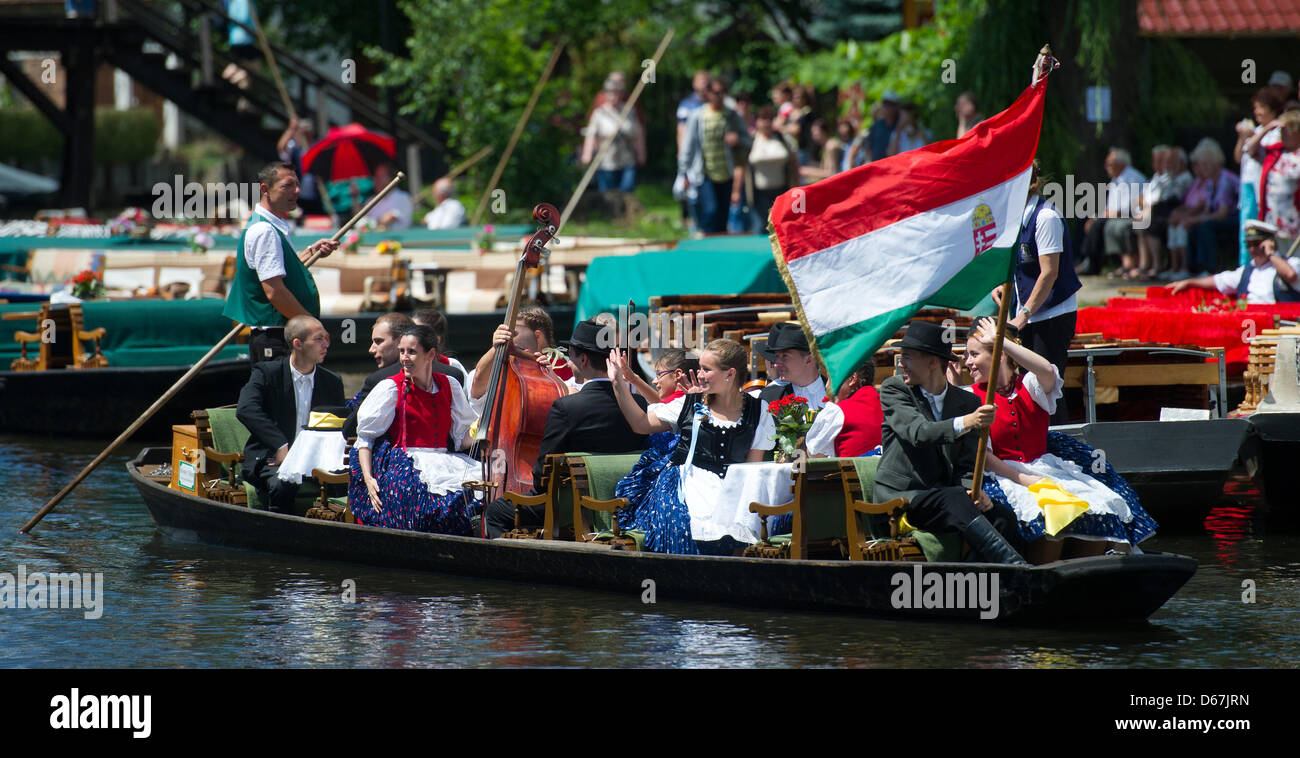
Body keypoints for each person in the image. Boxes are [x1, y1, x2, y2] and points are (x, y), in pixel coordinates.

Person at [963, 317, 1157, 562]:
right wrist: (1024, 479)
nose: (967, 362)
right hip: (1005, 474)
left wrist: (1002, 342)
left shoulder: (1031, 385)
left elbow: (1046, 369)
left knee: (1099, 505)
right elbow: (984, 457)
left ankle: (1089, 573)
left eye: (973, 354)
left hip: (1044, 466)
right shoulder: (969, 397)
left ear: (1000, 354)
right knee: (1047, 513)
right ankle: (1043, 573)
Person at [874, 320, 1026, 564]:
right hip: (902, 499)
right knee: (954, 499)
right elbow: (918, 432)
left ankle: (967, 585)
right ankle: (1018, 567)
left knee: (1003, 516)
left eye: (908, 357)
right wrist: (967, 422)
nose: (901, 363)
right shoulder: (895, 389)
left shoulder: (967, 403)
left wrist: (973, 492)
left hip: (945, 498)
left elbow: (967, 464)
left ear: (933, 362)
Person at [482, 320, 650, 538]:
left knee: (496, 511)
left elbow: (543, 474)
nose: (569, 362)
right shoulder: (640, 405)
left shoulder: (566, 407)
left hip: (570, 505)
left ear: (583, 359)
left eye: (570, 356)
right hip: (623, 503)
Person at [609, 338, 776, 555]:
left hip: (731, 487)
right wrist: (618, 384)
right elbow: (640, 424)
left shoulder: (759, 411)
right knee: (682, 524)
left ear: (730, 374)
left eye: (706, 369)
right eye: (700, 368)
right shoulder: (689, 403)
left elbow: (752, 469)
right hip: (683, 483)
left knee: (746, 527)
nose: (699, 374)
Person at [350, 325, 481, 534]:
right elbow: (365, 439)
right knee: (421, 501)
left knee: (481, 488)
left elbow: (461, 439)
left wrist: (484, 430)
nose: (404, 358)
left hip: (445, 461)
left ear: (430, 354)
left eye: (411, 352)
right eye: (402, 351)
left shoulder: (450, 385)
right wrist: (368, 478)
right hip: (407, 461)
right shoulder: (391, 388)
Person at [223, 161, 339, 363]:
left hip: (280, 336)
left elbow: (279, 268)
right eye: (287, 186)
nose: (297, 191)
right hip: (276, 338)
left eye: (297, 185)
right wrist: (311, 325)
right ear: (265, 189)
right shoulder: (265, 230)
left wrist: (312, 252)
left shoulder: (268, 225)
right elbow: (274, 291)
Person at [994, 159, 1080, 424]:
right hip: (1031, 317)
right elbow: (1021, 266)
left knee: (1048, 387)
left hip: (1052, 316)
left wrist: (1024, 314)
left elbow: (1049, 272)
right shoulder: (1019, 219)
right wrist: (1003, 286)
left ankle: (1061, 449)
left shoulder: (1046, 217)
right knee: (1029, 387)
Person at [236, 315, 345, 513]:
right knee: (282, 484)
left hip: (318, 459)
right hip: (272, 457)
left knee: (348, 482)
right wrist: (280, 444)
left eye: (326, 338)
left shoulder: (332, 381)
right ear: (298, 343)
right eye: (319, 339)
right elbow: (245, 409)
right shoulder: (266, 372)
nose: (326, 344)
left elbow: (338, 425)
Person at [613, 349, 698, 512]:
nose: (654, 381)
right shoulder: (685, 401)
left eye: (659, 374)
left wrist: (617, 381)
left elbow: (641, 422)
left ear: (677, 374)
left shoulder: (680, 404)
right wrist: (633, 379)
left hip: (669, 479)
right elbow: (663, 403)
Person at [467, 303, 572, 413]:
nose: (509, 336)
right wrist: (496, 348)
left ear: (538, 336)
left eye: (514, 331)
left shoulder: (566, 372)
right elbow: (477, 382)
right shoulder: (490, 372)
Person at [679, 76, 750, 234]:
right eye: (716, 92)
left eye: (722, 92)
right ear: (708, 93)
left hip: (727, 171)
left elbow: (748, 140)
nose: (719, 96)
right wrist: (683, 172)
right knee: (710, 210)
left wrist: (738, 139)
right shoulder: (697, 116)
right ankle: (703, 238)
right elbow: (688, 146)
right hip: (705, 173)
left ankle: (719, 249)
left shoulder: (732, 115)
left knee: (723, 215)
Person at [1168, 220, 1300, 303]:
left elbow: (1291, 275)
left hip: (1280, 328)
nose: (1252, 249)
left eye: (1257, 244)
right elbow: (1217, 280)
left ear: (1269, 243)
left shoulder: (1291, 263)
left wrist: (1271, 254)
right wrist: (1189, 282)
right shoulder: (1245, 272)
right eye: (1249, 245)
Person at [1235, 88, 1284, 267]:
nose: (1257, 112)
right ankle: (1245, 269)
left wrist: (1258, 134)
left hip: (1264, 187)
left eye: (1261, 107)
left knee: (1261, 230)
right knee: (1245, 231)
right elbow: (1240, 156)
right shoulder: (1255, 130)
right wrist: (1243, 137)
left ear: (1272, 109)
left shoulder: (1277, 131)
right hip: (1247, 185)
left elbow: (1254, 151)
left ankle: (1262, 267)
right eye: (1255, 108)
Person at [1078, 148, 1146, 276]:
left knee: (1104, 225)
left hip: (1133, 216)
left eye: (1110, 163)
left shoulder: (1132, 178)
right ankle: (1089, 260)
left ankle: (1093, 264)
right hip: (1117, 216)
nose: (1106, 166)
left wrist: (1104, 216)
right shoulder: (1116, 180)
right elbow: (1111, 206)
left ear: (1121, 164)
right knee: (1091, 222)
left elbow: (1129, 207)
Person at [1182, 138, 1240, 276]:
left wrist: (1196, 219)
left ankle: (1209, 268)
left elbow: (1222, 214)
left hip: (1234, 217)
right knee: (1195, 227)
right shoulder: (1209, 182)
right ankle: (1193, 268)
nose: (1202, 168)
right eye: (1201, 165)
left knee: (1205, 226)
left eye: (1206, 164)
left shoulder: (1226, 180)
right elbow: (1208, 210)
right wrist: (1193, 219)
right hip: (1220, 216)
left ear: (1216, 164)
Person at [582, 74, 646, 193]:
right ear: (605, 94)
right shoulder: (599, 113)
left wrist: (641, 152)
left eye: (616, 93)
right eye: (610, 93)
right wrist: (587, 154)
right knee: (607, 198)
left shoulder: (629, 111)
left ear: (621, 94)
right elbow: (591, 135)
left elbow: (638, 132)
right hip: (606, 162)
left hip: (627, 160)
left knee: (626, 195)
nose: (613, 96)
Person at [805, 359, 882, 457]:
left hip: (853, 472)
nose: (827, 385)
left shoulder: (838, 411)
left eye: (831, 378)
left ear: (852, 379)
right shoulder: (887, 404)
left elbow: (813, 452)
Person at [1137, 146, 1194, 280]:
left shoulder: (1185, 178)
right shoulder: (1168, 177)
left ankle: (1166, 266)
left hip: (1176, 213)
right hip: (1164, 212)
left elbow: (1176, 199)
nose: (1167, 164)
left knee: (1152, 224)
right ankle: (1153, 265)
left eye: (1171, 161)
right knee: (1143, 223)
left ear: (1181, 163)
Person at [1252, 110, 1300, 253]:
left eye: (1288, 130)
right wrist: (1267, 128)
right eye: (1282, 130)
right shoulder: (1275, 153)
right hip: (1273, 220)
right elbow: (1249, 149)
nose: (1283, 134)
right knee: (1278, 262)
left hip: (1294, 221)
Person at [747, 106, 800, 226]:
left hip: (781, 193)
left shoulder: (783, 139)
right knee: (761, 228)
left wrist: (796, 185)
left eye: (769, 119)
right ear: (757, 122)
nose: (766, 123)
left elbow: (794, 162)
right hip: (759, 195)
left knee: (782, 228)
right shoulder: (751, 140)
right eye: (763, 119)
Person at [758, 322, 827, 411]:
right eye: (777, 357)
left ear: (809, 360)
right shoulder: (769, 398)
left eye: (785, 356)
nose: (776, 364)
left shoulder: (840, 395)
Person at [276, 117, 320, 215]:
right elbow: (281, 147)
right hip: (298, 194)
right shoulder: (294, 148)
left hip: (316, 194)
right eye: (301, 133)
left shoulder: (316, 147)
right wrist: (291, 129)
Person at [412, 307, 469, 379]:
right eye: (409, 330)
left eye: (419, 333)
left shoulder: (452, 365)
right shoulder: (402, 362)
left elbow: (466, 389)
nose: (411, 337)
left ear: (436, 340)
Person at [365, 162, 413, 230]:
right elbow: (360, 221)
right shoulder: (371, 200)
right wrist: (355, 197)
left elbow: (390, 218)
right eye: (376, 177)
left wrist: (369, 224)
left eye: (380, 177)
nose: (376, 180)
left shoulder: (403, 197)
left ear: (391, 178)